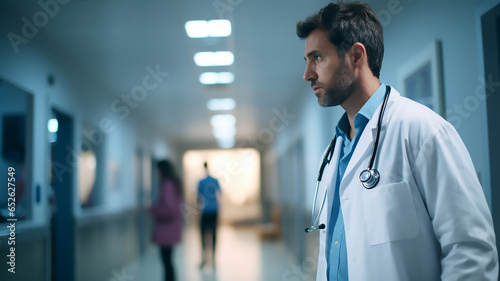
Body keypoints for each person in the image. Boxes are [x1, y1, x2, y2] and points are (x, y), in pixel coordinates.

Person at [296, 2, 498, 281]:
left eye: (317, 57)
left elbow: (470, 251)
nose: (307, 74)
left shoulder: (423, 131)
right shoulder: (333, 152)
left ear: (356, 55)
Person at [149, 160, 183, 281]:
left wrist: (152, 210)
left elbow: (169, 209)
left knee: (166, 262)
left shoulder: (167, 184)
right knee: (168, 261)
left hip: (166, 230)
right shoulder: (174, 183)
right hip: (171, 229)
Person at [197, 161, 221, 269]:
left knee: (203, 234)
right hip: (214, 210)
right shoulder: (215, 181)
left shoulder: (201, 182)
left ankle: (204, 259)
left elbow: (198, 198)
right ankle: (214, 260)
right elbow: (220, 193)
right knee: (214, 234)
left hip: (204, 211)